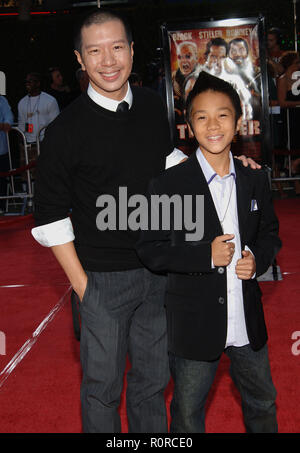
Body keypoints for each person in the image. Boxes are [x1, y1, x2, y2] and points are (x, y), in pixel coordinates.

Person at [31, 9, 260, 434]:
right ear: (80, 60)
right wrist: (86, 290)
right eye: (95, 51)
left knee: (153, 384)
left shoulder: (154, 106)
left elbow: (174, 165)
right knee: (101, 389)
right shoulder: (64, 131)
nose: (109, 60)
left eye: (117, 47)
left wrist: (231, 165)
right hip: (101, 281)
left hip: (159, 272)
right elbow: (49, 219)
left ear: (132, 51)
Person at [136, 71, 281, 433]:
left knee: (262, 402)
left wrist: (256, 260)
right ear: (188, 125)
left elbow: (270, 234)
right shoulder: (168, 185)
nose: (213, 125)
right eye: (201, 116)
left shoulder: (255, 178)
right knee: (187, 414)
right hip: (194, 324)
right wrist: (204, 256)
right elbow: (150, 249)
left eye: (223, 115)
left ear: (239, 122)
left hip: (247, 320)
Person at [277, 50, 300, 194]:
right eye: (297, 62)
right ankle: (297, 188)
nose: (299, 65)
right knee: (294, 150)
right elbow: (282, 102)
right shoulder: (283, 79)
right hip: (291, 118)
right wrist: (298, 103)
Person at [0, 95, 14, 214]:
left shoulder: (1, 100)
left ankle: (1, 207)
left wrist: (3, 125)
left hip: (1, 149)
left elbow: (9, 120)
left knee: (2, 179)